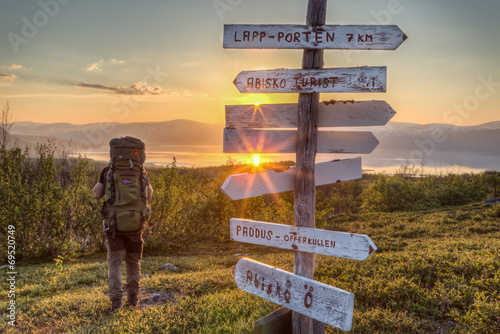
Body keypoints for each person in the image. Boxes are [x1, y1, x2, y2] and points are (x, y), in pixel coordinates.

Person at [93, 167, 153, 310]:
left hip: (114, 226)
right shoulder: (141, 171)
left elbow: (96, 194)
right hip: (135, 225)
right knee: (133, 262)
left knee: (115, 263)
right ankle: (133, 299)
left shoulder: (108, 170)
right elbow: (149, 194)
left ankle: (116, 302)